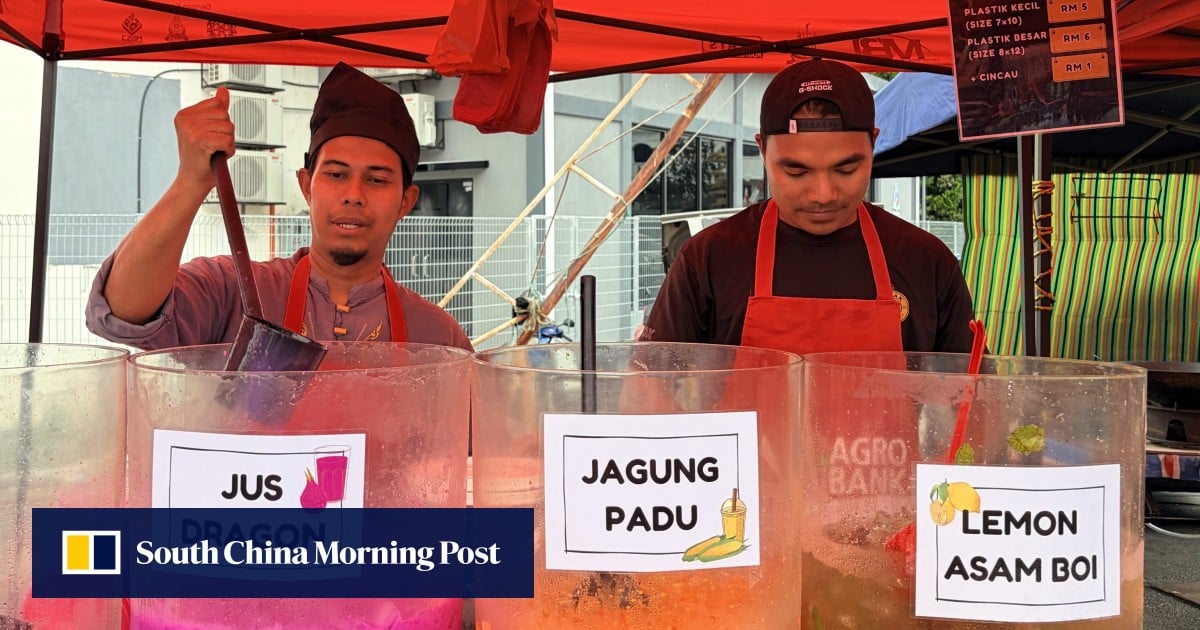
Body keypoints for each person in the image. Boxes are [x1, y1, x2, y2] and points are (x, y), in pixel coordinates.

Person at [86, 62, 472, 352]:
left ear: (406, 201)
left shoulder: (439, 338)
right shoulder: (231, 292)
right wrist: (190, 181)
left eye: (377, 180)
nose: (354, 194)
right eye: (336, 174)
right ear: (306, 186)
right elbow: (121, 311)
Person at [640, 58, 977, 355]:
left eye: (846, 169)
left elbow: (971, 392)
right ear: (762, 150)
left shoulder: (927, 262)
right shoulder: (707, 259)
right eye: (796, 171)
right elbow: (654, 390)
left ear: (873, 144)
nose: (823, 194)